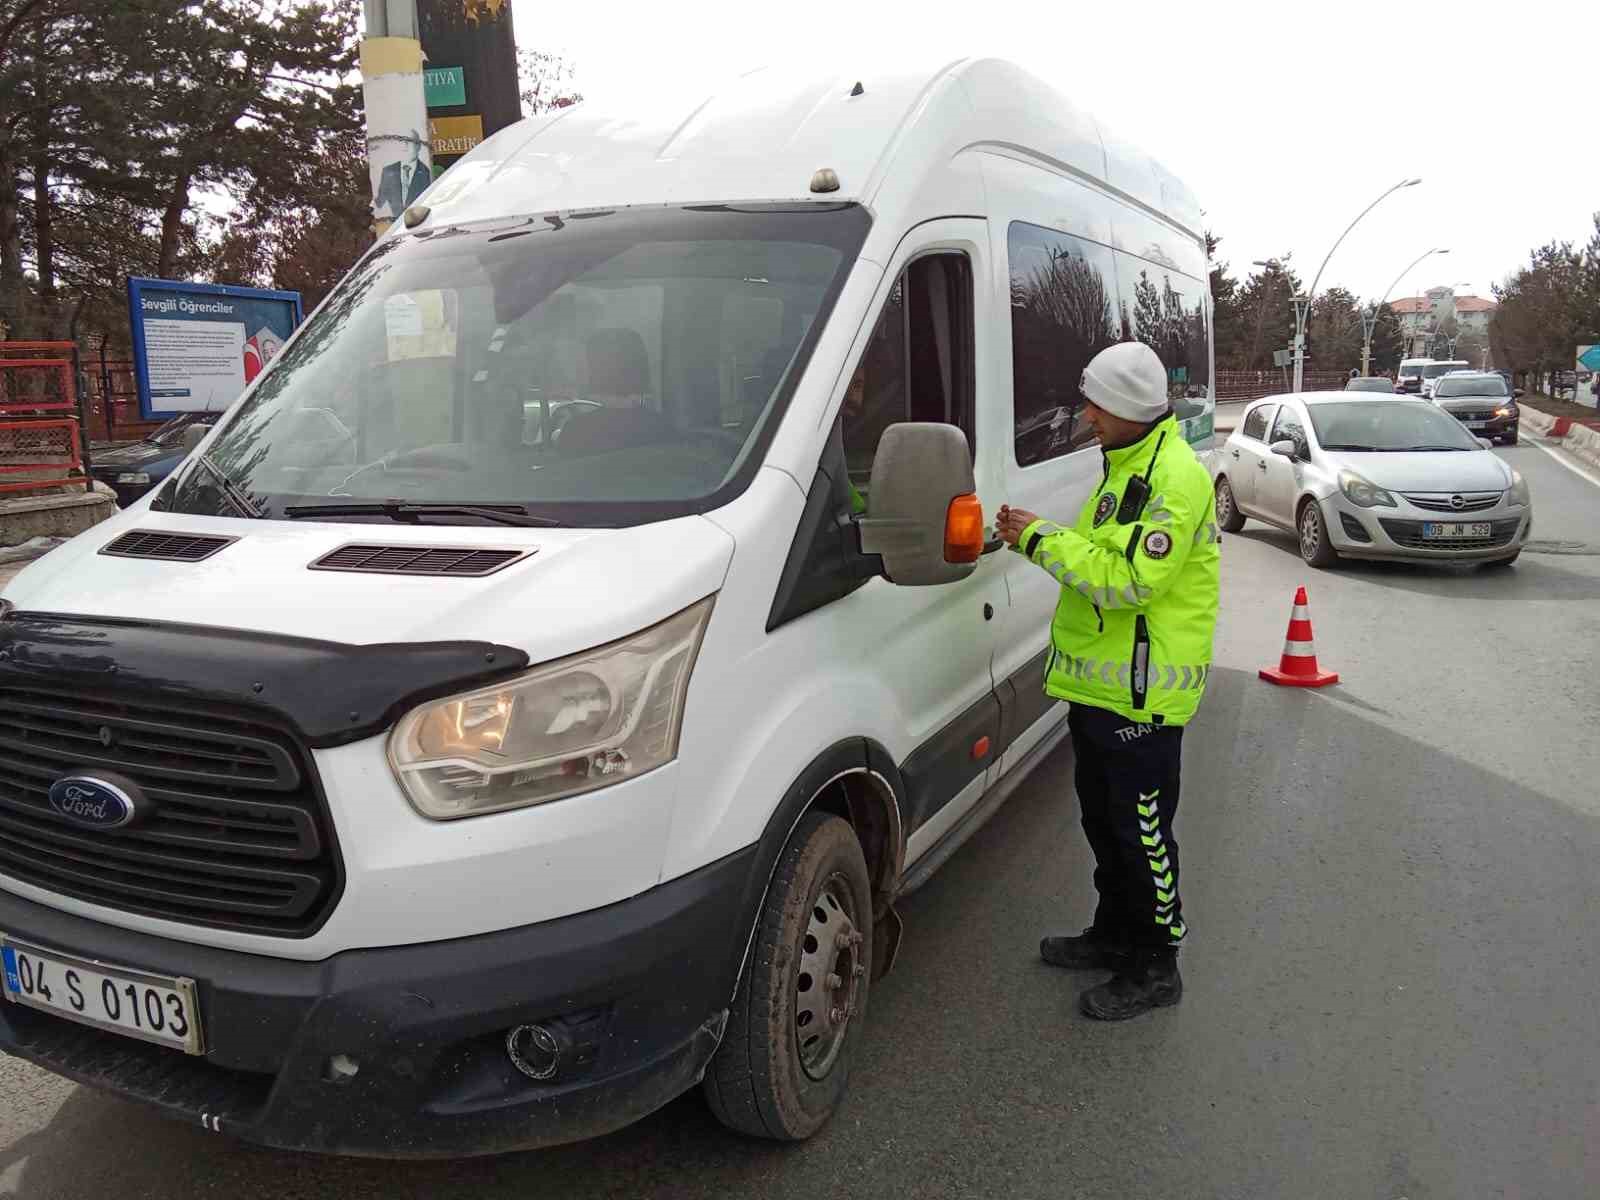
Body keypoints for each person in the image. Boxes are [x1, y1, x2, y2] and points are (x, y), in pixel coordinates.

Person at [995, 341, 1221, 1021]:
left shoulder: (1173, 480)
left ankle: (1157, 964)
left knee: (1141, 833)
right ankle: (1114, 932)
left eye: (1096, 403)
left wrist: (1038, 538)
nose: (1086, 414)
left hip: (1143, 700)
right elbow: (1103, 552)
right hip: (1104, 691)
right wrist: (1044, 536)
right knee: (1103, 821)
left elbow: (1127, 581)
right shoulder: (1127, 465)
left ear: (1125, 409)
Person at [375, 130, 432, 219]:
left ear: (418, 146)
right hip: (394, 228)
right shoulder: (388, 171)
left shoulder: (427, 173)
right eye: (401, 141)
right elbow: (379, 204)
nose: (405, 145)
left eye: (409, 141)